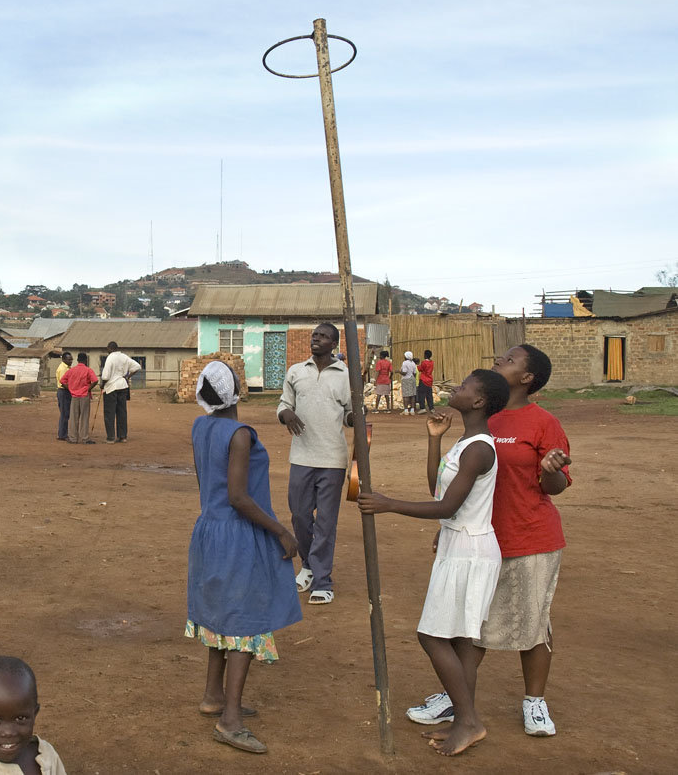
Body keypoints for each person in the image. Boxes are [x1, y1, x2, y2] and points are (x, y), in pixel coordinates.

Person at [406, 345, 572, 739]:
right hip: (480, 538)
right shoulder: (483, 420)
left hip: (529, 536)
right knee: (470, 625)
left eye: (510, 360)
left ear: (528, 378)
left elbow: (558, 485)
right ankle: (458, 699)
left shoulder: (542, 422)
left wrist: (551, 470)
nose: (501, 360)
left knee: (533, 623)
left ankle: (534, 701)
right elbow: (459, 491)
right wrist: (445, 523)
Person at [357, 368, 511, 756]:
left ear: (478, 401)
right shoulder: (465, 442)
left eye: (464, 387)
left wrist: (389, 504)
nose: (454, 389)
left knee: (432, 635)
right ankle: (464, 720)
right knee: (459, 640)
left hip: (470, 551)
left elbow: (447, 506)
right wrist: (433, 441)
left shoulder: (479, 448)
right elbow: (438, 489)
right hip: (458, 547)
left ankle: (469, 720)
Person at [188, 361, 301, 754]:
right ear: (239, 391)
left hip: (209, 530)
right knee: (245, 623)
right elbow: (238, 497)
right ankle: (230, 720)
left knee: (221, 615)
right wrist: (281, 530)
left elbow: (211, 486)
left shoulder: (201, 427)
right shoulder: (239, 435)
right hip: (238, 535)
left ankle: (213, 695)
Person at [277, 323, 354, 605]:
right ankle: (309, 565)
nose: (316, 339)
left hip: (333, 458)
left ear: (334, 344)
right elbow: (284, 404)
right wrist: (285, 414)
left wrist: (356, 417)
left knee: (325, 522)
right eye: (314, 335)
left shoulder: (346, 375)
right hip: (301, 456)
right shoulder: (296, 372)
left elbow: (348, 415)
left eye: (323, 337)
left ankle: (322, 580)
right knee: (299, 515)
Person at [100, 341, 141, 444]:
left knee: (109, 413)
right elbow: (137, 367)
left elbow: (105, 375)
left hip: (111, 387)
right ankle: (122, 436)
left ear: (109, 348)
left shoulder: (110, 357)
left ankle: (110, 437)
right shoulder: (124, 357)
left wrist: (102, 384)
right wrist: (127, 376)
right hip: (123, 386)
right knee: (122, 412)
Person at [59, 352, 98, 445]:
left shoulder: (72, 370)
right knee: (84, 417)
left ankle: (73, 438)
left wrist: (70, 389)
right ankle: (85, 438)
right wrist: (89, 389)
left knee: (73, 417)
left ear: (77, 360)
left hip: (74, 396)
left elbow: (62, 380)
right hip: (84, 395)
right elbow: (95, 380)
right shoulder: (88, 370)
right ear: (86, 360)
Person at [54, 351, 73, 441]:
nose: (71, 361)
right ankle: (62, 434)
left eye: (71, 359)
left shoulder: (68, 368)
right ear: (64, 359)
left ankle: (63, 433)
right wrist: (72, 390)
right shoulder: (63, 369)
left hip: (65, 391)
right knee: (64, 414)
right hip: (64, 391)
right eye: (69, 359)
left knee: (66, 413)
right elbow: (63, 382)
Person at [417, 349, 436, 414]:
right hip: (430, 380)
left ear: (425, 355)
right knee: (429, 395)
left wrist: (417, 366)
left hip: (423, 379)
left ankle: (422, 408)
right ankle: (431, 408)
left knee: (421, 394)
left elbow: (420, 369)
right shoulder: (432, 362)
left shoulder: (424, 362)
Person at [400, 350, 418, 415]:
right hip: (412, 379)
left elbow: (404, 373)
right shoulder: (413, 363)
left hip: (406, 379)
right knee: (412, 395)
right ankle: (412, 410)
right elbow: (415, 373)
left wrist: (399, 372)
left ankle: (406, 410)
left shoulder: (404, 363)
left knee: (406, 395)